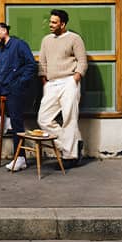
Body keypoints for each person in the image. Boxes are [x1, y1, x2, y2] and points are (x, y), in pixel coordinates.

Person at [0, 22, 38, 171]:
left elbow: (31, 65)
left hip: (17, 89)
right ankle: (2, 119)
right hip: (2, 87)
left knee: (17, 121)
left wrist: (20, 82)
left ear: (5, 31)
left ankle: (20, 158)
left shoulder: (19, 45)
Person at [37, 9, 87, 160]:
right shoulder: (46, 40)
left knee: (69, 119)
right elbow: (42, 63)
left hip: (69, 81)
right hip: (51, 83)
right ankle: (72, 145)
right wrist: (44, 81)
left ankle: (70, 156)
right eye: (50, 21)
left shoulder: (74, 38)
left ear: (63, 24)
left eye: (54, 22)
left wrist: (75, 78)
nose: (50, 25)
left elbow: (82, 61)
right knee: (43, 119)